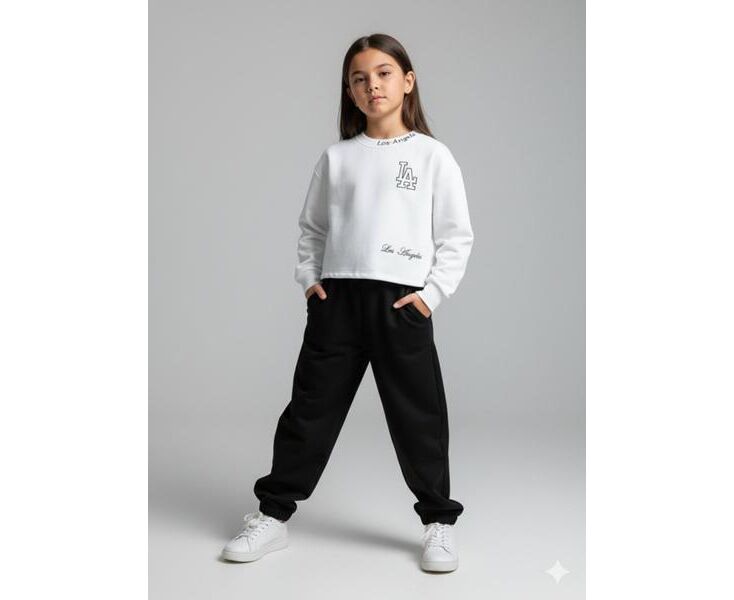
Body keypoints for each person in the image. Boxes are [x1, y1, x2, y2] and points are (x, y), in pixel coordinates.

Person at [221, 33, 474, 573]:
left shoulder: (432, 156)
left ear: (407, 81)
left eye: (383, 74)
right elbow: (312, 228)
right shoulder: (337, 158)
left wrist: (430, 295)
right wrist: (309, 280)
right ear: (350, 91)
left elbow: (456, 236)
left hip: (401, 302)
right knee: (309, 411)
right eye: (359, 79)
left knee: (419, 415)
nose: (372, 86)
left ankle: (439, 523)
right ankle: (272, 515)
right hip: (337, 300)